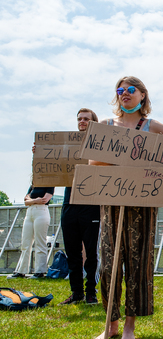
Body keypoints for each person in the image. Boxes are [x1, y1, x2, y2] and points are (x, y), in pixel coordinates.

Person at [92, 76, 163, 339]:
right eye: (120, 90)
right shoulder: (104, 125)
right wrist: (121, 159)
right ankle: (110, 324)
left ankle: (129, 327)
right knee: (109, 263)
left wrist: (146, 157)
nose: (125, 94)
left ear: (143, 95)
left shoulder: (152, 126)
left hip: (143, 202)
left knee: (138, 262)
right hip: (111, 200)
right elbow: (92, 159)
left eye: (131, 90)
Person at [59, 108, 101, 305]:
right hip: (69, 203)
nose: (82, 121)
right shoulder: (67, 146)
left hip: (91, 204)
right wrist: (40, 152)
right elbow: (51, 163)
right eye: (80, 119)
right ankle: (76, 293)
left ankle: (91, 292)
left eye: (86, 119)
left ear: (93, 122)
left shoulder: (100, 145)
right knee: (72, 251)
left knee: (91, 252)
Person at [7, 185, 54, 279]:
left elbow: (44, 200)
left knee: (40, 242)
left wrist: (31, 201)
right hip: (30, 213)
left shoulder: (50, 183)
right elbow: (25, 201)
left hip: (41, 211)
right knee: (25, 243)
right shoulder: (34, 184)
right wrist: (36, 200)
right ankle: (21, 271)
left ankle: (40, 271)